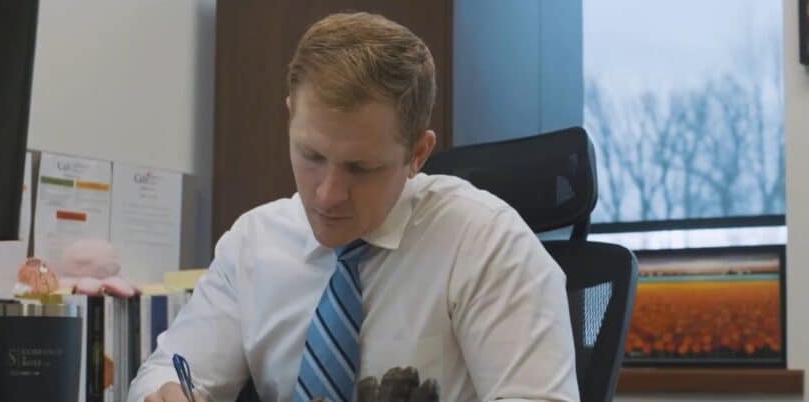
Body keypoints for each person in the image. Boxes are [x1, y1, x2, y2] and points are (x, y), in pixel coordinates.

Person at [126, 12, 578, 402]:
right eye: (311, 156)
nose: (327, 194)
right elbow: (169, 367)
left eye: (361, 168)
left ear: (417, 155)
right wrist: (166, 390)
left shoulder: (487, 244)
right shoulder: (254, 243)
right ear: (290, 117)